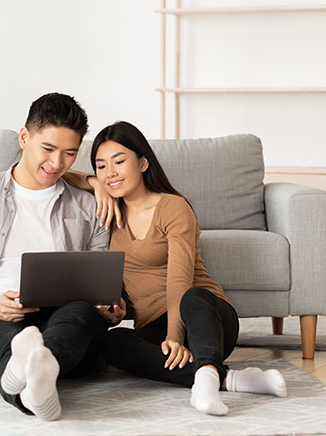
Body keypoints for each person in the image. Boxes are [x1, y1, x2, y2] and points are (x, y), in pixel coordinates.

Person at [70, 121, 287, 416]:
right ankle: (229, 379)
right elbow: (59, 175)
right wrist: (94, 183)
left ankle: (208, 374)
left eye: (119, 162)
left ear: (143, 162)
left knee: (193, 296)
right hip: (153, 327)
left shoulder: (173, 207)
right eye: (102, 166)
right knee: (112, 342)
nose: (111, 173)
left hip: (206, 318)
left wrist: (174, 336)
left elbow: (179, 278)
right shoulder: (109, 213)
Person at [0, 93, 116, 421]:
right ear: (24, 137)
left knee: (80, 314)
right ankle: (34, 384)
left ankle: (32, 367)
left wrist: (111, 305)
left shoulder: (88, 206)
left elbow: (99, 280)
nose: (57, 163)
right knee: (3, 342)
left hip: (66, 316)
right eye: (48, 149)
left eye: (70, 153)